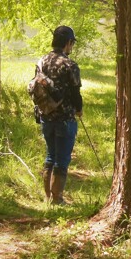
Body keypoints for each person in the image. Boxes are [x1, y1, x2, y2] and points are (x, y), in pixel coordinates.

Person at [34, 25, 83, 205]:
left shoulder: (42, 60)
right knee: (62, 160)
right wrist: (79, 109)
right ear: (68, 43)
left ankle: (47, 197)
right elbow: (76, 93)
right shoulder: (70, 65)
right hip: (65, 118)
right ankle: (57, 199)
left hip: (45, 116)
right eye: (72, 43)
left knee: (50, 156)